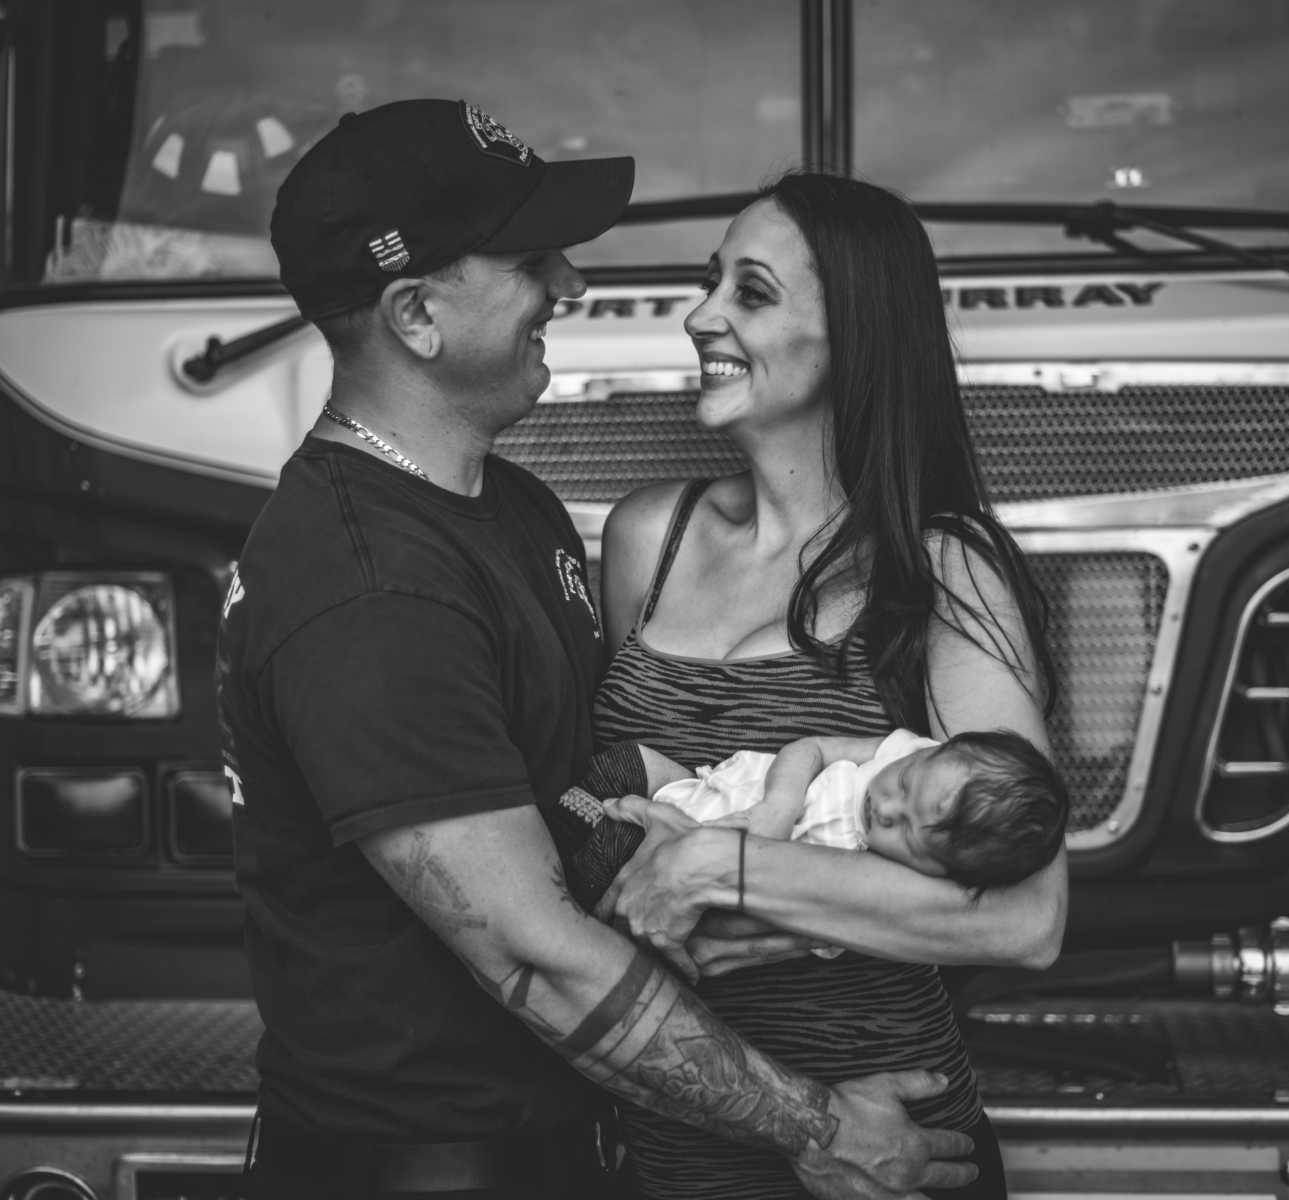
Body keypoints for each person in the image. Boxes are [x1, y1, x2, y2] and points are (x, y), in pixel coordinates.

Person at [216, 100, 977, 1200]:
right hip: (428, 1168)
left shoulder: (507, 508)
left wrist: (739, 868)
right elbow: (529, 951)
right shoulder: (366, 590)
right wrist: (816, 1123)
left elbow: (573, 795)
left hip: (571, 1141)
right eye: (531, 260)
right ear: (416, 314)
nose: (570, 287)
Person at [579, 171, 1070, 1200]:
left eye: (749, 293)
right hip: (668, 1148)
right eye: (709, 283)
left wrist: (720, 874)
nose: (698, 315)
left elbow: (1024, 919)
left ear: (854, 335)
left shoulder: (944, 569)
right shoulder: (645, 539)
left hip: (885, 1151)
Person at [562, 727, 1067, 913]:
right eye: (907, 783)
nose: (886, 807)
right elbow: (812, 747)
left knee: (605, 859)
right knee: (621, 764)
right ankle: (560, 823)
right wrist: (780, 806)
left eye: (907, 834)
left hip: (670, 863)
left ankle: (562, 859)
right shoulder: (906, 750)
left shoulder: (868, 881)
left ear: (939, 875)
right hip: (707, 788)